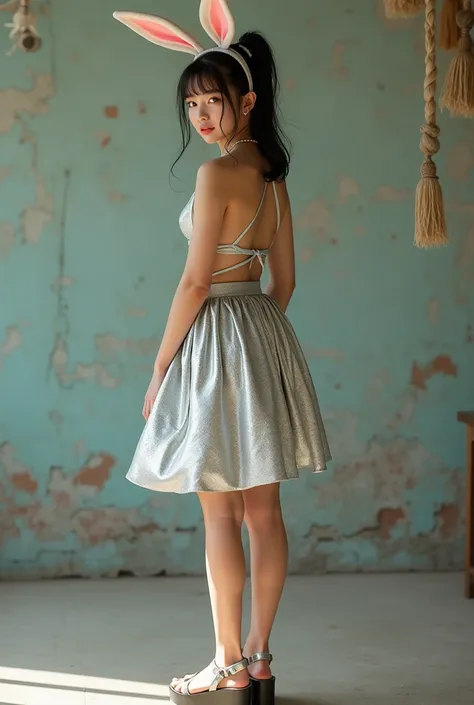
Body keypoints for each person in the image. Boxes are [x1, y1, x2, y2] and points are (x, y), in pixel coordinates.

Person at [114, 2, 331, 704]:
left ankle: (228, 664)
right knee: (264, 513)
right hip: (262, 332)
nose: (202, 116)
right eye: (192, 104)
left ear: (247, 101)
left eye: (213, 101)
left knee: (219, 514)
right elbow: (287, 281)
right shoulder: (273, 174)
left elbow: (196, 280)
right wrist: (258, 347)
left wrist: (161, 367)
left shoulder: (215, 177)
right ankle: (262, 660)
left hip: (210, 339)